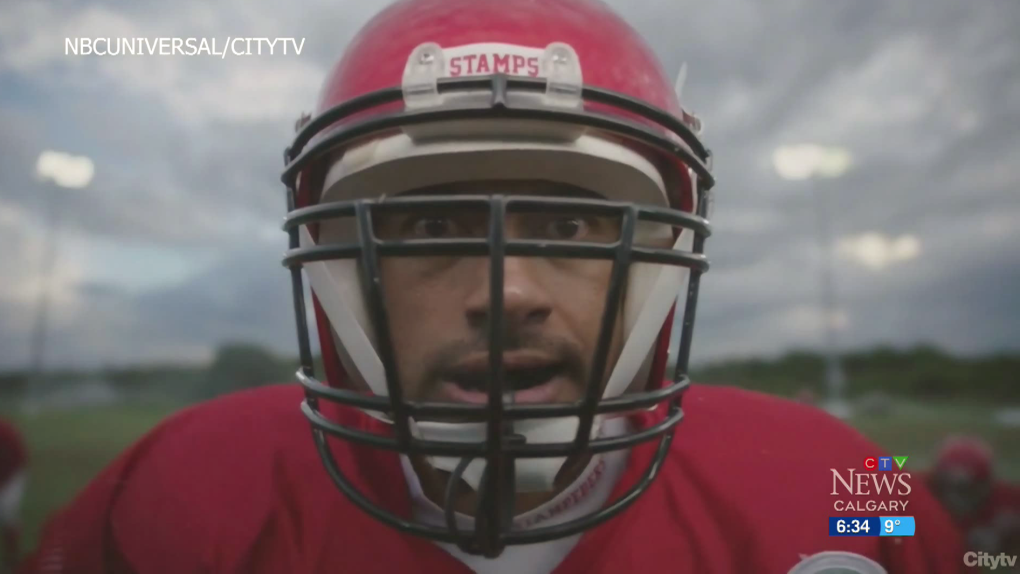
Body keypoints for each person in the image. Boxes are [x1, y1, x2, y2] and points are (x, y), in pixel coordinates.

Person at [22, 0, 967, 572]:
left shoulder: (847, 479)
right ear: (347, 273)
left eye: (568, 225)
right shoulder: (172, 495)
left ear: (654, 269)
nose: (507, 290)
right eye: (434, 225)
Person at [928, 436, 1020, 555]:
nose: (954, 498)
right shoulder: (921, 491)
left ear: (986, 485)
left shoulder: (1009, 502)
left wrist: (1007, 534)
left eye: (966, 490)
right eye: (947, 487)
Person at [0, 419, 27, 574]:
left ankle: (12, 559)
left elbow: (17, 456)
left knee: (7, 513)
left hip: (13, 473)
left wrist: (4, 482)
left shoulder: (5, 431)